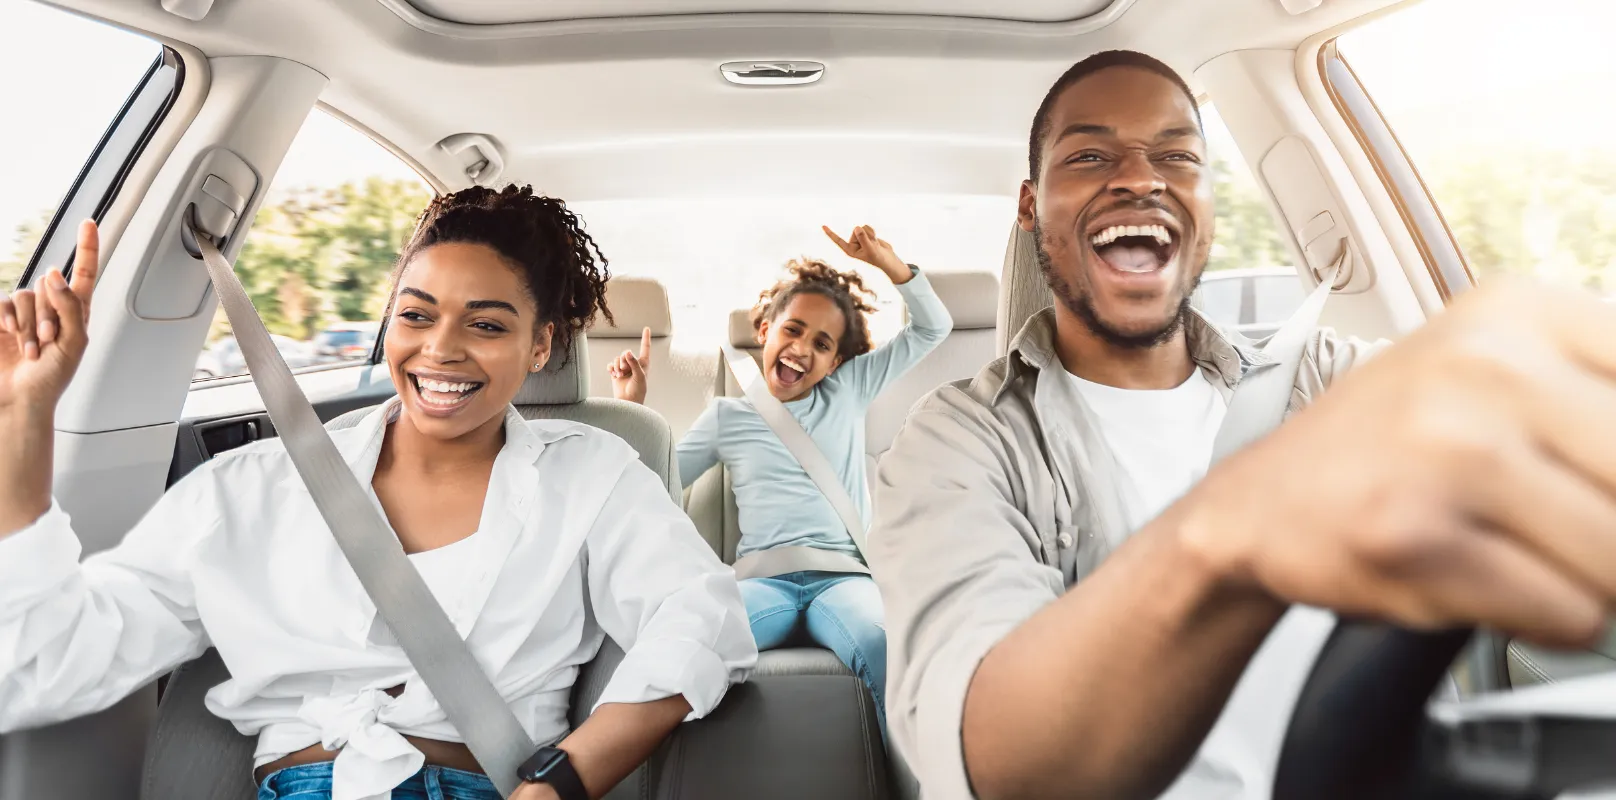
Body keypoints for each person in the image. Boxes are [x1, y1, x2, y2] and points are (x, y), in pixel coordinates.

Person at [870, 49, 1616, 800]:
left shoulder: (1329, 378)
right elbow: (997, 759)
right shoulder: (957, 440)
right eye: (1091, 155)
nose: (1139, 177)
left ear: (1206, 199)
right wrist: (1233, 532)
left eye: (1177, 156)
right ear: (1031, 207)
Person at [0, 186, 758, 800]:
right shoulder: (255, 486)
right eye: (416, 315)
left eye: (486, 325)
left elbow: (703, 619)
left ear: (541, 346)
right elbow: (43, 661)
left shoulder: (593, 472)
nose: (441, 349)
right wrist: (29, 418)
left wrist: (561, 782)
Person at [608, 225, 952, 730]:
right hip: (761, 583)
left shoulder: (849, 390)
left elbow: (932, 328)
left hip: (843, 580)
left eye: (822, 343)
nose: (802, 349)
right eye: (792, 330)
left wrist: (890, 265)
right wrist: (630, 410)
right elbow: (658, 487)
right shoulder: (728, 414)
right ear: (765, 330)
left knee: (884, 644)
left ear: (837, 361)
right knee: (687, 645)